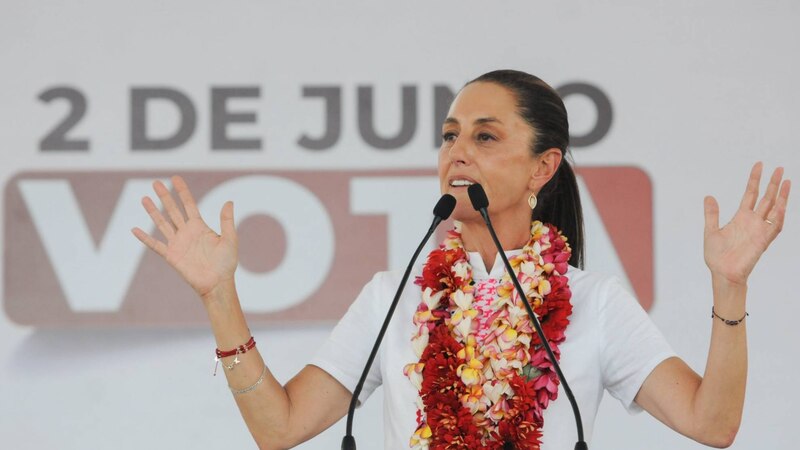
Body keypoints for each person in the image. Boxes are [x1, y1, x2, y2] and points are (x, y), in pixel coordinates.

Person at [132, 70, 790, 450]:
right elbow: (279, 428)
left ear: (544, 167)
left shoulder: (595, 302)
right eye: (449, 136)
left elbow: (714, 423)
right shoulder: (394, 296)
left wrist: (729, 287)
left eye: (484, 136)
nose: (457, 152)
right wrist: (218, 295)